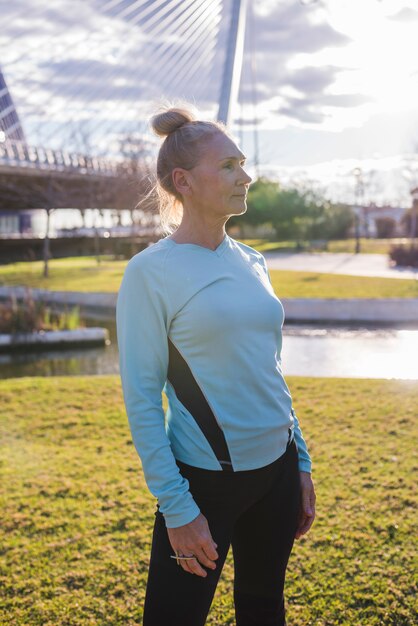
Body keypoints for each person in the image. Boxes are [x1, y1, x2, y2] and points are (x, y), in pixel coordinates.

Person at [116, 101, 316, 626]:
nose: (245, 176)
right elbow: (141, 399)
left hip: (277, 472)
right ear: (182, 181)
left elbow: (269, 370)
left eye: (242, 163)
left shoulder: (254, 261)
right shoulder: (149, 273)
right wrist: (178, 511)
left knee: (263, 609)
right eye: (228, 166)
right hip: (204, 485)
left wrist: (301, 463)